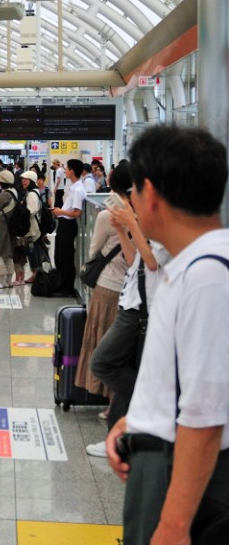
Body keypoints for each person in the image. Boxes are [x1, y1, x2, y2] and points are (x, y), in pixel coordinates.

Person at [105, 126, 229, 545]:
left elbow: (206, 414)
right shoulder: (194, 267)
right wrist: (135, 420)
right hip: (162, 457)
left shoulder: (208, 277)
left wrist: (174, 529)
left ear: (151, 194)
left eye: (134, 192)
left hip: (179, 472)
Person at [86, 196, 169, 457]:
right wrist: (122, 231)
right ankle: (117, 439)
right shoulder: (149, 225)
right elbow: (136, 262)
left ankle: (152, 402)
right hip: (131, 303)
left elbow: (153, 262)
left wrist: (132, 224)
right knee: (124, 369)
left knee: (103, 363)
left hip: (141, 312)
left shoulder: (166, 226)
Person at [74, 161, 132, 400]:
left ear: (112, 182)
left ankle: (108, 399)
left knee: (101, 342)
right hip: (134, 292)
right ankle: (117, 400)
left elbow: (93, 251)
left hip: (108, 286)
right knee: (125, 349)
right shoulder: (143, 215)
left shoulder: (108, 215)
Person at [51, 159, 85, 296]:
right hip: (64, 223)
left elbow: (77, 213)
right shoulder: (74, 187)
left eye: (67, 168)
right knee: (60, 255)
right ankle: (61, 284)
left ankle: (67, 288)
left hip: (68, 226)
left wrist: (61, 212)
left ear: (72, 171)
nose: (65, 171)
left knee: (66, 257)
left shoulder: (78, 190)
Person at [13, 170, 42, 286]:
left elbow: (31, 210)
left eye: (26, 180)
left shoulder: (31, 194)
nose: (23, 182)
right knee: (33, 251)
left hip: (31, 228)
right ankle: (36, 274)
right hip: (33, 226)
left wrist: (21, 214)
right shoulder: (33, 192)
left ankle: (36, 275)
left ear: (32, 181)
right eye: (23, 179)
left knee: (32, 251)